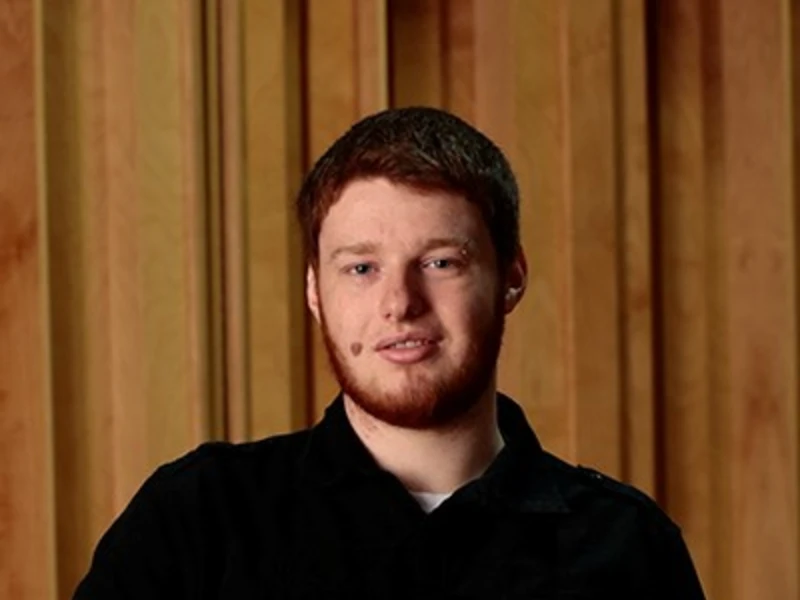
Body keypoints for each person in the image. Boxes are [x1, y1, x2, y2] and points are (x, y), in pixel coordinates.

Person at [74, 107, 705, 599]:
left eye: (440, 262)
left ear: (511, 277)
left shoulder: (628, 548)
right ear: (315, 291)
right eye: (361, 268)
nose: (399, 302)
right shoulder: (196, 522)